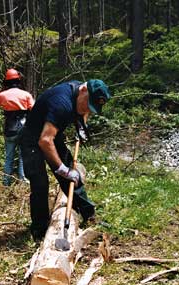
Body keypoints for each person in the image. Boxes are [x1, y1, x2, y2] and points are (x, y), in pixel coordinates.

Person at [20, 79, 111, 241]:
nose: (86, 109)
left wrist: (81, 127)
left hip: (51, 136)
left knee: (72, 174)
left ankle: (88, 214)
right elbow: (45, 140)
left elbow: (84, 110)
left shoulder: (80, 93)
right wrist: (62, 169)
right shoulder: (61, 104)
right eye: (87, 104)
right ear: (83, 89)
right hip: (32, 139)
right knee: (40, 182)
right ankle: (39, 231)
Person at [0, 69, 35, 186]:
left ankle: (6, 182)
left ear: (6, 82)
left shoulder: (2, 95)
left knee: (9, 157)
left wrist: (1, 90)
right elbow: (33, 109)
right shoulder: (26, 95)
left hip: (9, 128)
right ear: (18, 81)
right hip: (23, 127)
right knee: (22, 156)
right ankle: (22, 181)